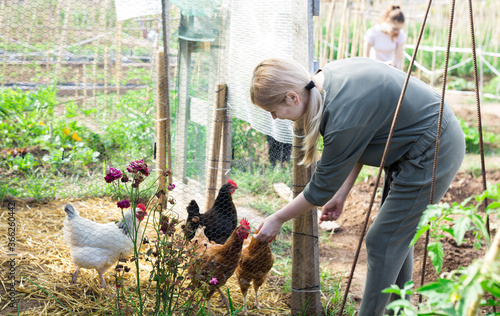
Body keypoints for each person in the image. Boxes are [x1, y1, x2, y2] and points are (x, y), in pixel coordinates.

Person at [250, 57, 465, 316]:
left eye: (273, 110)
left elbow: (319, 190)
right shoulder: (327, 81)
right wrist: (341, 194)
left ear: (292, 97)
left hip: (434, 149)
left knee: (383, 240)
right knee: (395, 236)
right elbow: (360, 141)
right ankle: (399, 311)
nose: (274, 118)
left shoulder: (341, 113)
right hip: (415, 147)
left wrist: (278, 218)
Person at [363, 5, 406, 70]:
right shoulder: (373, 32)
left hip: (390, 68)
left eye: (399, 29)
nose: (397, 32)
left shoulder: (401, 35)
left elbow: (398, 61)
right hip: (373, 67)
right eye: (395, 28)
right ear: (387, 22)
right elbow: (365, 57)